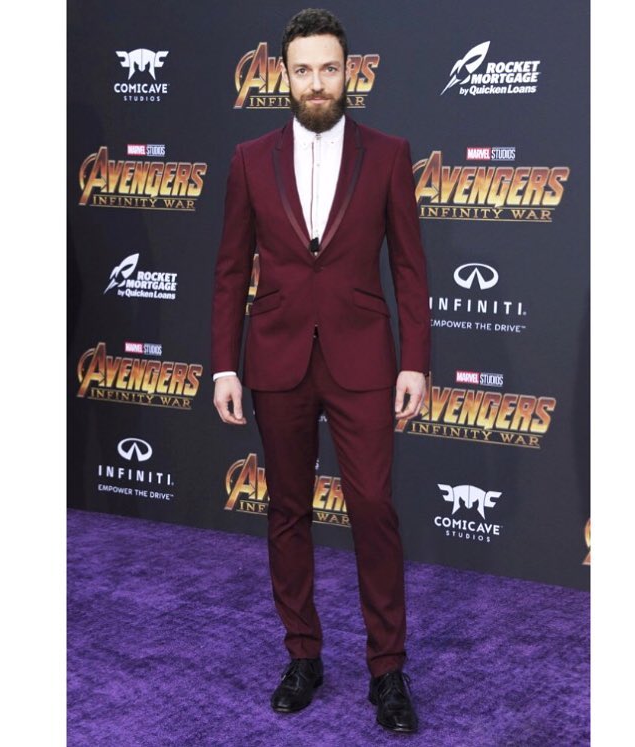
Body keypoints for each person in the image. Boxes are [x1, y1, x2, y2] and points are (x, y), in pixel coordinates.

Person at [211, 8, 430, 735]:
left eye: (328, 68)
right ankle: (302, 655)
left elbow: (410, 267)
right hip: (276, 360)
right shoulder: (249, 158)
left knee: (373, 508)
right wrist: (223, 366)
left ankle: (387, 668)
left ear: (348, 72)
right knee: (287, 511)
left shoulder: (388, 154)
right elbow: (228, 271)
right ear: (283, 74)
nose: (316, 82)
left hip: (364, 360)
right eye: (302, 69)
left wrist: (415, 361)